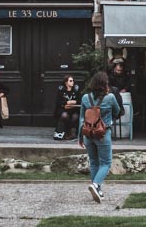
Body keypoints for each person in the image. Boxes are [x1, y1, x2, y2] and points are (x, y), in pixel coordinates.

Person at [79, 70, 126, 202]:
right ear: (105, 84)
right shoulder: (110, 97)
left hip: (88, 134)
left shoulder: (85, 98)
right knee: (106, 163)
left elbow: (82, 118)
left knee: (94, 162)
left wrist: (80, 136)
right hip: (102, 133)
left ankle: (97, 191)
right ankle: (95, 185)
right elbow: (118, 111)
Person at [54, 75, 81, 141]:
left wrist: (74, 102)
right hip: (64, 109)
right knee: (64, 115)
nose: (73, 82)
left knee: (75, 117)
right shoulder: (61, 90)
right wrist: (67, 102)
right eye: (70, 81)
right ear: (66, 82)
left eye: (73, 81)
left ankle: (69, 132)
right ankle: (67, 131)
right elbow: (58, 101)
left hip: (74, 109)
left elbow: (79, 100)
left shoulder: (75, 89)